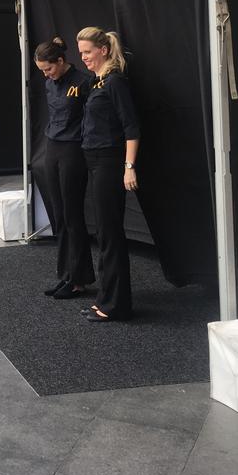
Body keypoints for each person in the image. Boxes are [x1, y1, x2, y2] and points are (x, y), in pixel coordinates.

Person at [76, 26, 140, 323]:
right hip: (94, 160)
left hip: (109, 162)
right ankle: (108, 297)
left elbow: (131, 128)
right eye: (81, 53)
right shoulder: (96, 83)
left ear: (103, 50)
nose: (84, 58)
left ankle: (115, 305)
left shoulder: (115, 83)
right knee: (104, 231)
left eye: (88, 52)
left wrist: (129, 167)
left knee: (110, 233)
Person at [34, 36, 95, 300]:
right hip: (53, 147)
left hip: (73, 150)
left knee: (72, 215)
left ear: (61, 61)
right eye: (42, 71)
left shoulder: (83, 82)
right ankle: (66, 275)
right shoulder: (50, 84)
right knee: (58, 215)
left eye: (48, 68)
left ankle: (79, 279)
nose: (46, 74)